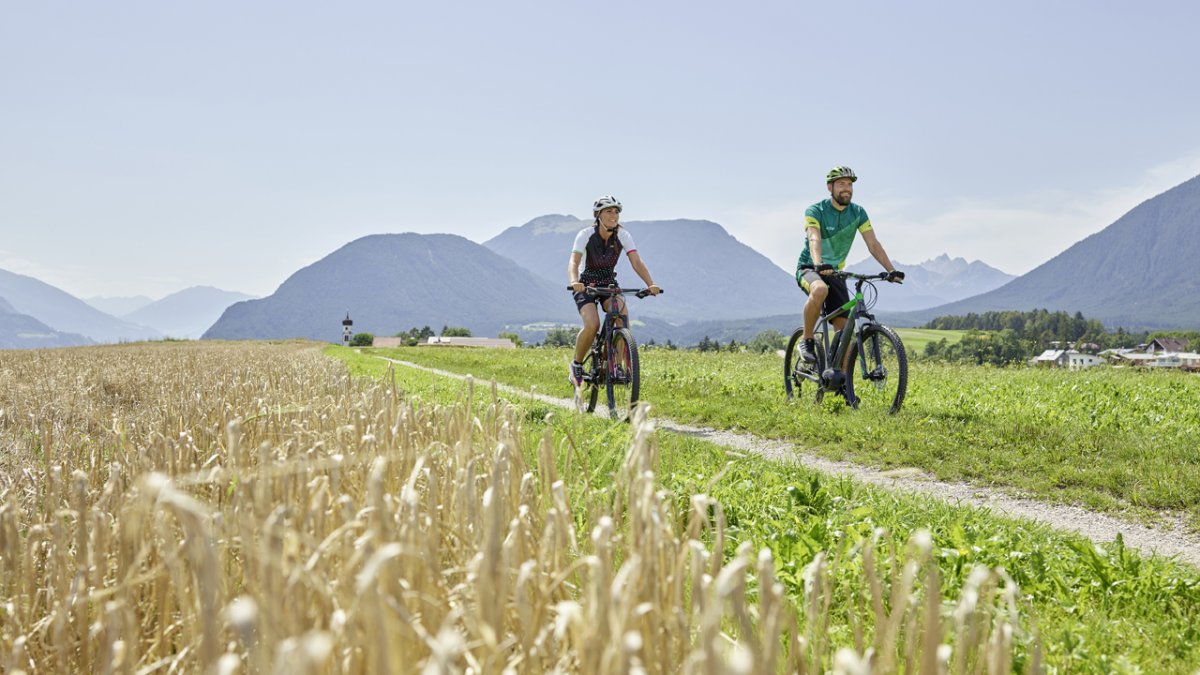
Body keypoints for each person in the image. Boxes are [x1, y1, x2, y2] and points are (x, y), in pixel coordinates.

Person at [795, 166, 904, 363]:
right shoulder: (815, 210)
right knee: (819, 290)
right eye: (841, 184)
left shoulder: (858, 213)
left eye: (849, 184)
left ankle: (844, 383)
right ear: (830, 187)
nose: (847, 188)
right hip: (810, 267)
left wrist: (891, 270)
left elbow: (873, 244)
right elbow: (814, 238)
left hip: (835, 272)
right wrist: (818, 264)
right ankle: (807, 340)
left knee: (845, 332)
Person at [567, 195, 661, 386]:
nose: (614, 215)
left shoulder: (623, 236)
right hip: (586, 285)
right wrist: (575, 281)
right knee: (592, 324)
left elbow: (636, 261)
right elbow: (574, 262)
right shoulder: (585, 234)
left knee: (621, 317)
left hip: (608, 283)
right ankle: (577, 364)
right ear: (598, 215)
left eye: (616, 211)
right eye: (609, 211)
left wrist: (651, 284)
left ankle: (616, 365)